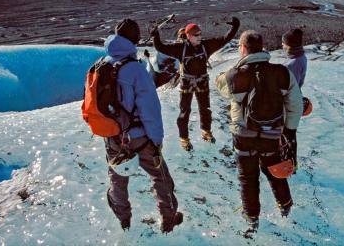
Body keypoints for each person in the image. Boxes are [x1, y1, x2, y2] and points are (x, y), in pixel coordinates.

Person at [215, 30, 302, 233]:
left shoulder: (237, 75)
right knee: (274, 171)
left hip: (243, 135)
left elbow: (220, 86)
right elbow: (295, 105)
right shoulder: (281, 72)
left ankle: (252, 220)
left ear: (243, 48)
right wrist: (289, 131)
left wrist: (237, 66)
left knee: (248, 177)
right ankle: (286, 207)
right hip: (272, 134)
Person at [103, 18, 182, 233]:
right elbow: (150, 110)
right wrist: (156, 141)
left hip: (111, 135)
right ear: (135, 39)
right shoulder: (135, 70)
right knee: (159, 175)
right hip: (138, 136)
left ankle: (124, 220)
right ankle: (168, 218)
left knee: (118, 177)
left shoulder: (103, 64)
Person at [151, 17, 240, 151]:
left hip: (202, 83)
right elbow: (161, 47)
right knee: (184, 112)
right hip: (187, 84)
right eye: (196, 35)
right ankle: (184, 139)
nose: (200, 37)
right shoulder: (180, 48)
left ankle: (206, 132)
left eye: (200, 34)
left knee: (205, 110)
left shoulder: (206, 46)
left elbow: (224, 39)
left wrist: (234, 27)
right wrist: (156, 36)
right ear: (188, 36)